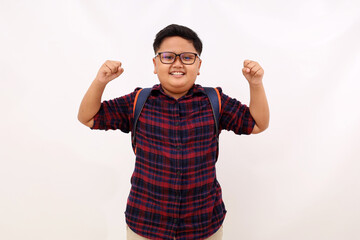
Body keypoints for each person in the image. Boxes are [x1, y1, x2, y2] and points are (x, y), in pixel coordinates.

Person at [78, 24, 269, 240]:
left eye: (187, 57)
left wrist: (256, 84)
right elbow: (88, 117)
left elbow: (257, 124)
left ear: (198, 65)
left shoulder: (215, 100)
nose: (177, 63)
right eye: (168, 56)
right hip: (146, 225)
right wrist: (100, 81)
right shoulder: (138, 101)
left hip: (203, 225)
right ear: (155, 63)